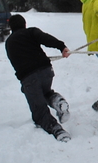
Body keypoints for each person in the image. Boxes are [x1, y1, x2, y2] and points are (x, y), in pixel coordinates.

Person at [4, 14, 72, 142]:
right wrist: (62, 47)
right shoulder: (31, 32)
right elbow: (46, 39)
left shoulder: (9, 43)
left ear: (11, 27)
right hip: (46, 71)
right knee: (46, 92)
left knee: (39, 110)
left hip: (29, 77)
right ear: (24, 24)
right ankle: (57, 101)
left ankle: (58, 131)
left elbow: (16, 63)